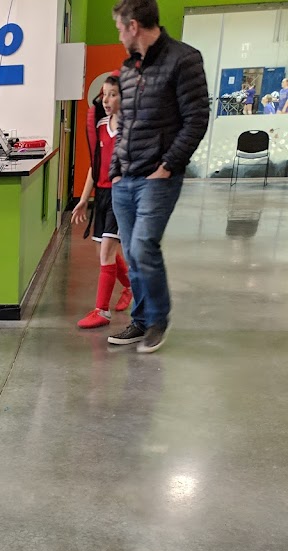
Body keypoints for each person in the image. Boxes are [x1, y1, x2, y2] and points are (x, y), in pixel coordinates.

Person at [106, 0, 209, 353]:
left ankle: (158, 320)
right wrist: (115, 171)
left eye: (119, 29)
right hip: (126, 177)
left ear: (133, 26)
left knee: (143, 246)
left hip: (158, 177)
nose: (119, 37)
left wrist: (167, 166)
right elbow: (125, 125)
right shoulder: (128, 69)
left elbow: (196, 119)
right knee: (132, 254)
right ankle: (141, 320)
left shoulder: (184, 60)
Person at [72, 73, 132, 329]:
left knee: (107, 252)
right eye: (104, 94)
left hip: (122, 195)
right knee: (103, 252)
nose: (106, 100)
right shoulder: (100, 126)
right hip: (102, 195)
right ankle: (130, 286)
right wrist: (84, 199)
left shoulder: (132, 129)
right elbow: (94, 167)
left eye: (113, 94)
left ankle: (102, 311)